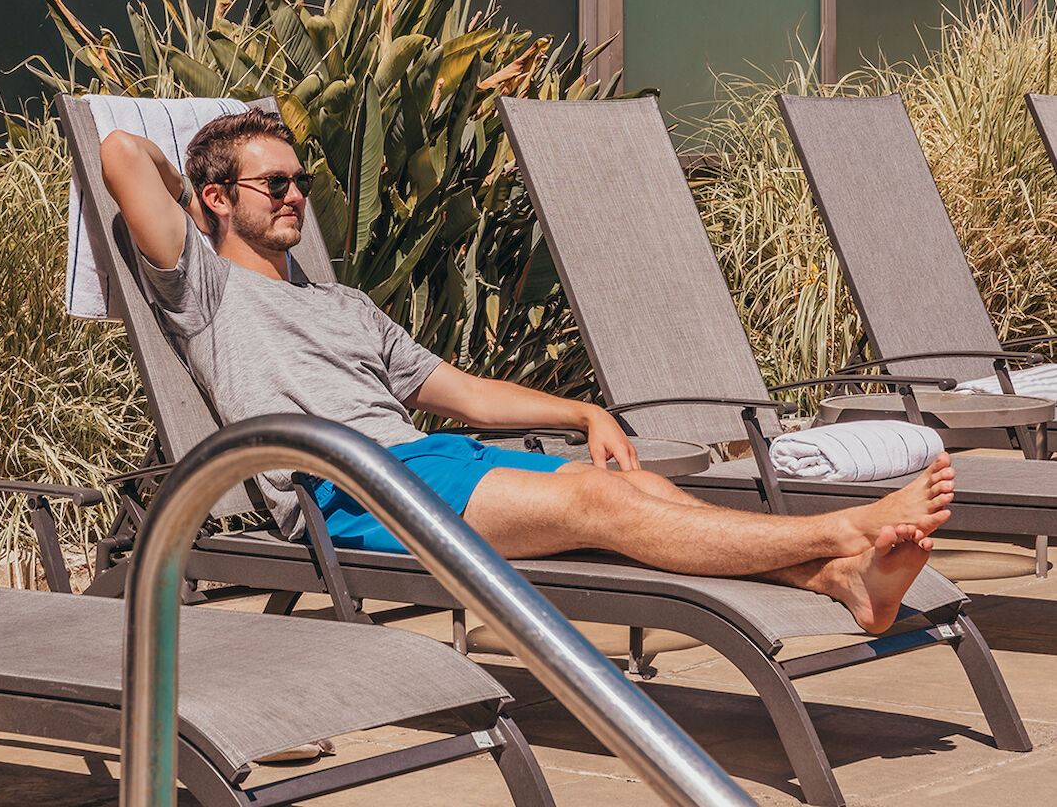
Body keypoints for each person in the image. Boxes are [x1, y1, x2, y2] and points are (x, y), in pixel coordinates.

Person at [100, 108, 955, 635]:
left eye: (303, 182)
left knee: (636, 490)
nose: (294, 195)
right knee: (601, 504)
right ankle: (844, 531)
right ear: (217, 199)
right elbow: (119, 153)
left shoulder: (345, 304)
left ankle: (839, 580)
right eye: (273, 181)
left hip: (430, 462)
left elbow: (463, 393)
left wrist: (584, 412)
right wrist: (188, 181)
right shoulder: (203, 290)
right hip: (351, 488)